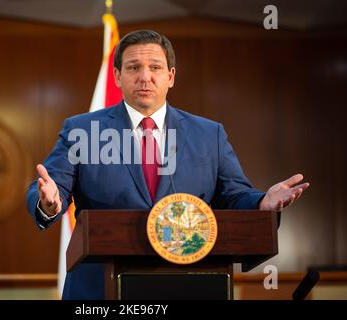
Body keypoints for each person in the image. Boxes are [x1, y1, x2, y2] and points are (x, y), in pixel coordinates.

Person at [26, 30, 309, 300]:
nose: (145, 77)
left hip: (188, 283)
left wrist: (262, 204)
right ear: (117, 76)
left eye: (155, 67)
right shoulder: (82, 130)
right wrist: (49, 203)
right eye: (133, 68)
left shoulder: (209, 134)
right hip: (100, 288)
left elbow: (234, 196)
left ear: (171, 76)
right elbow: (52, 188)